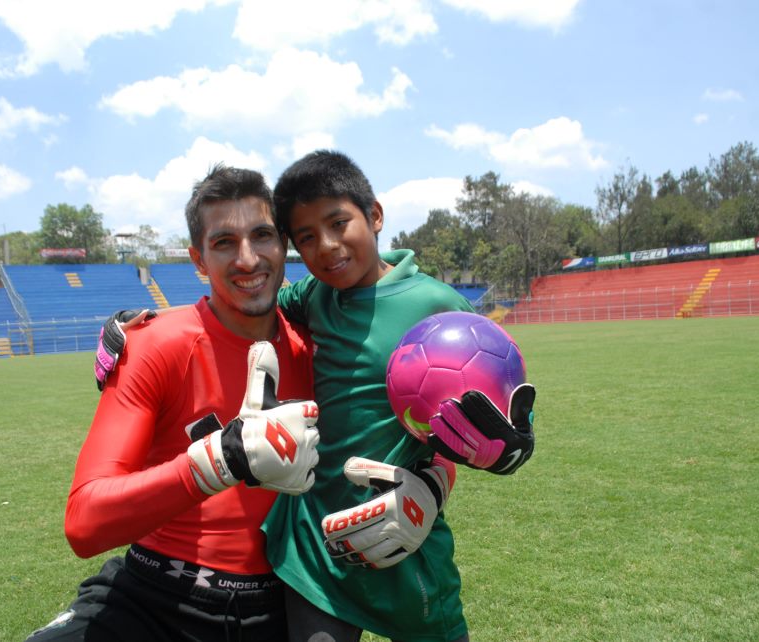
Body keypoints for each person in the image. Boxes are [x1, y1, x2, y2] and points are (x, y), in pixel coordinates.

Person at [95, 151, 536, 641]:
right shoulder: (313, 297)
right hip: (314, 551)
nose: (325, 246)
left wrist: (503, 448)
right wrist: (145, 325)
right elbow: (240, 303)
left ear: (375, 216)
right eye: (305, 237)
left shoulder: (437, 305)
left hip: (407, 528)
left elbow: (500, 389)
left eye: (338, 223)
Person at [26, 165, 321, 642]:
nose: (248, 258)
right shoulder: (155, 344)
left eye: (262, 235)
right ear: (198, 260)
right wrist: (219, 461)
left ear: (283, 244)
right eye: (224, 242)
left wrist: (431, 484)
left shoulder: (318, 348)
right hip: (153, 597)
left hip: (281, 607)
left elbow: (411, 421)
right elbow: (84, 522)